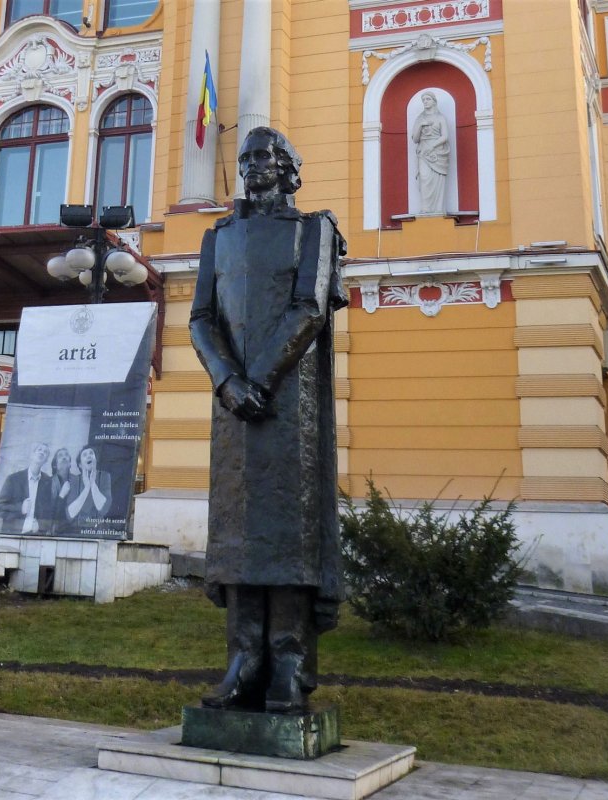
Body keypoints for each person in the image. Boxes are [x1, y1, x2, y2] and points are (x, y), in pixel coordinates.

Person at [189, 126, 347, 714]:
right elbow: (201, 317)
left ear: (288, 168)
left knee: (287, 531)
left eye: (265, 156)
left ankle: (288, 661)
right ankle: (243, 659)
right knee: (237, 532)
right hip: (234, 406)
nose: (253, 165)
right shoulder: (219, 237)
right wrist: (228, 381)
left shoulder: (314, 230)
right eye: (247, 157)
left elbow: (310, 308)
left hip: (288, 404)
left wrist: (259, 380)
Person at [0, 442, 53, 534]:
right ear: (32, 455)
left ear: (46, 460)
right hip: (13, 534)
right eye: (39, 449)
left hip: (37, 535)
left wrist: (40, 525)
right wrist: (20, 508)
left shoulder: (48, 481)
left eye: (45, 452)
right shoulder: (13, 479)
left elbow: (50, 513)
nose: (42, 452)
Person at [411, 91, 451, 215]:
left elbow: (445, 136)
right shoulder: (420, 118)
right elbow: (415, 139)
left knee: (438, 180)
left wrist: (432, 146)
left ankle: (438, 209)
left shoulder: (440, 117)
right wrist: (420, 125)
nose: (425, 102)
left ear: (434, 101)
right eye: (424, 100)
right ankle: (426, 208)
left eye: (428, 99)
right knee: (424, 178)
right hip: (423, 152)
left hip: (438, 152)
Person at [65, 445, 112, 531]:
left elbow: (103, 509)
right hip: (76, 530)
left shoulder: (105, 476)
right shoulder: (75, 480)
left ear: (96, 459)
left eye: (91, 453)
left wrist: (92, 484)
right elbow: (70, 514)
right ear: (80, 464)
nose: (89, 456)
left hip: (98, 530)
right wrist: (87, 488)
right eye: (85, 455)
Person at [49, 447, 77, 535]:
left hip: (76, 529)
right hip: (56, 530)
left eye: (66, 455)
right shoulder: (48, 482)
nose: (64, 457)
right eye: (60, 456)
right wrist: (61, 496)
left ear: (70, 464)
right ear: (55, 465)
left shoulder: (78, 480)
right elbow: (49, 512)